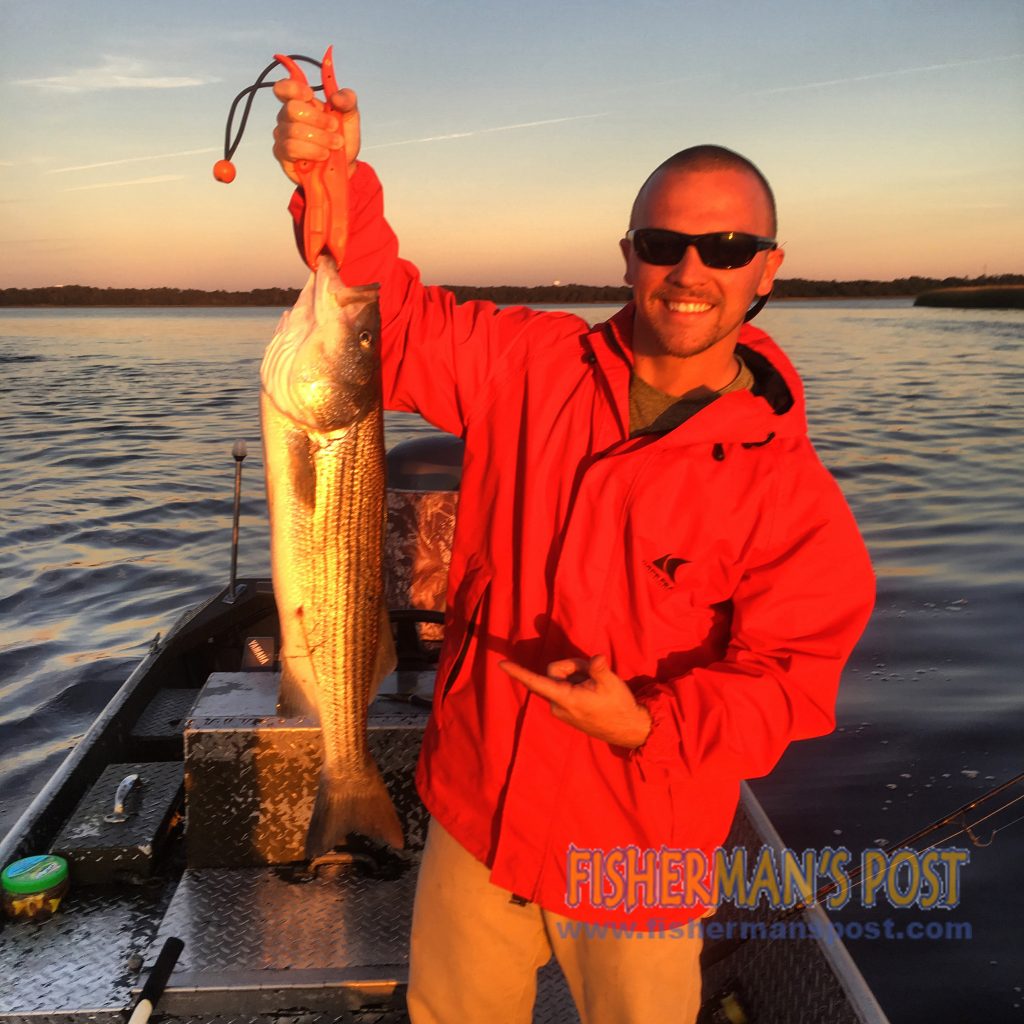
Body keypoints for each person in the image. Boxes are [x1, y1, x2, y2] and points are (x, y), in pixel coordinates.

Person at [272, 79, 875, 1024]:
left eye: (725, 249)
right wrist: (334, 181)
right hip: (475, 814)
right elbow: (394, 317)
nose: (689, 270)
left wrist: (644, 725)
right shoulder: (531, 365)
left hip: (637, 850)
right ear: (629, 257)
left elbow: (790, 685)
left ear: (767, 269)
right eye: (662, 244)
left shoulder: (793, 499)